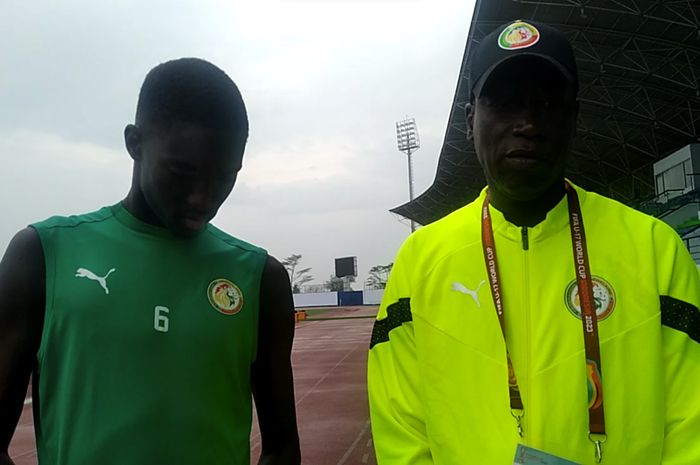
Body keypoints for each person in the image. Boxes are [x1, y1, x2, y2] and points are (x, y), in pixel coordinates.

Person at [368, 20, 700, 465]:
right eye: (505, 104)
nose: (527, 123)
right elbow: (400, 425)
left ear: (574, 119)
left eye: (547, 103)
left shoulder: (655, 247)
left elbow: (690, 421)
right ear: (470, 121)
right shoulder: (422, 259)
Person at [0, 58, 301, 465]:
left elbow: (282, 450)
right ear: (134, 143)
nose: (203, 198)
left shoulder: (259, 278)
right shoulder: (41, 255)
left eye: (224, 177)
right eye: (183, 172)